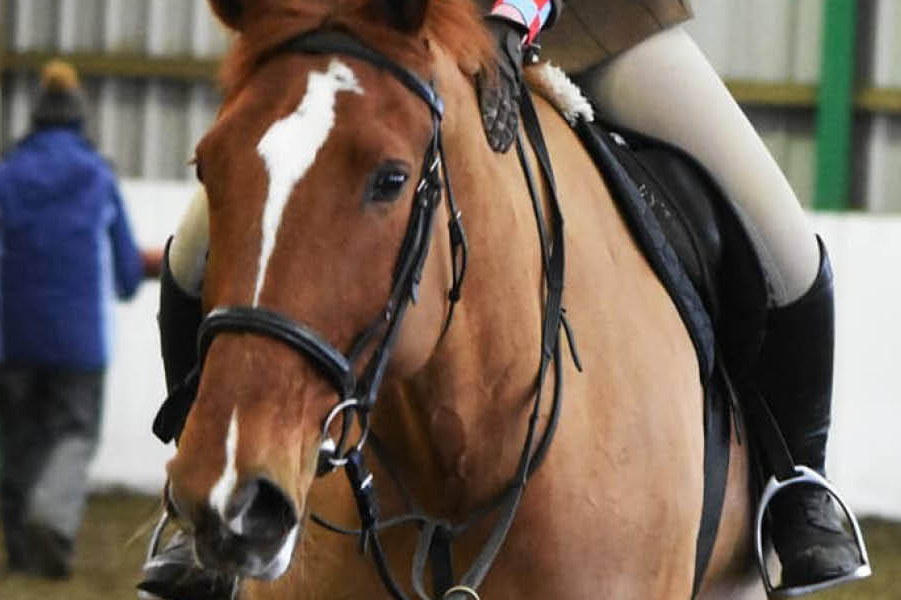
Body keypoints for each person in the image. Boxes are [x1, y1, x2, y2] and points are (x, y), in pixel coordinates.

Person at [141, 1, 866, 598]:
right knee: (197, 250)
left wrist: (512, 9)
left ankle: (798, 488)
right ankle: (206, 490)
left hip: (592, 25)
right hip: (370, 35)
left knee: (783, 243)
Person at [0, 59, 143, 579]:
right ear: (80, 119)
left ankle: (20, 556)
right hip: (79, 342)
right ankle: (51, 518)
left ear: (35, 119)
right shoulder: (98, 176)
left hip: (12, 337)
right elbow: (129, 272)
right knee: (73, 433)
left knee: (19, 440)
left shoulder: (5, 174)